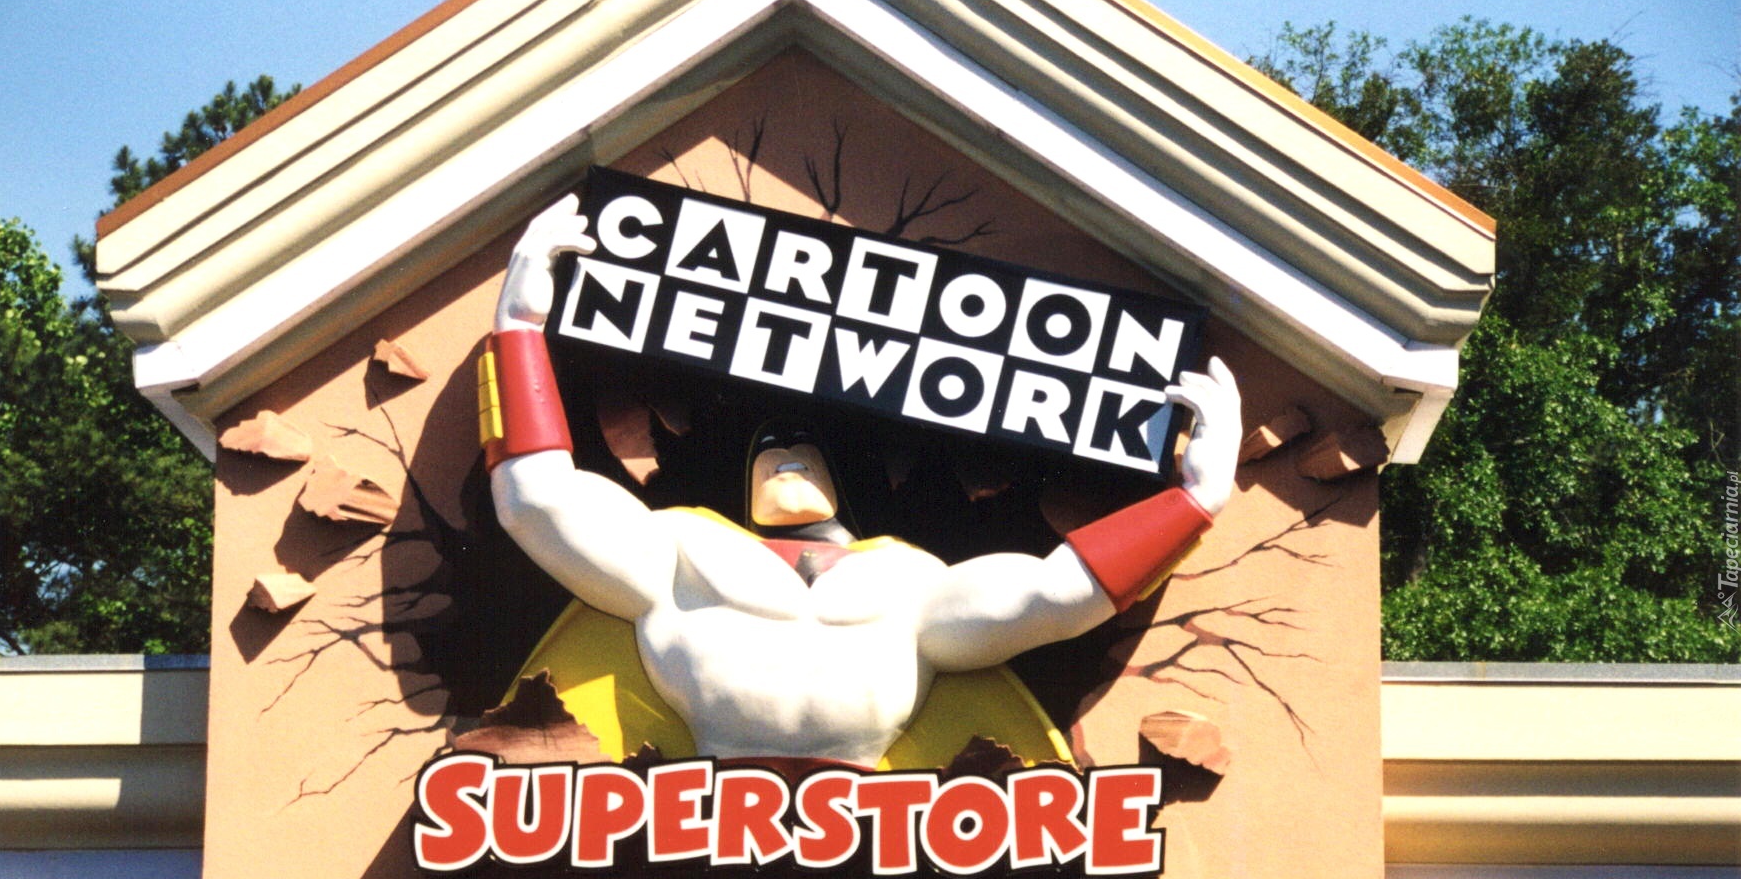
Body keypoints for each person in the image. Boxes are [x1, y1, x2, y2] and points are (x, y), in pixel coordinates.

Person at [479, 195, 1241, 769]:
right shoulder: (680, 552)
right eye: (768, 446)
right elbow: (537, 501)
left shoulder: (909, 585)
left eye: (801, 448)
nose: (784, 456)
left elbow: (1051, 597)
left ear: (847, 478)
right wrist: (516, 330)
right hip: (695, 811)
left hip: (877, 834)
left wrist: (1194, 503)